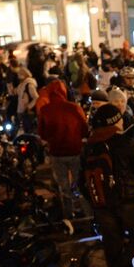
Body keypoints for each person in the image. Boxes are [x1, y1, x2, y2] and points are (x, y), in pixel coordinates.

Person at [82, 102, 134, 267]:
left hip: (102, 205)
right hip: (128, 202)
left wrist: (95, 200)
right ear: (115, 122)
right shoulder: (126, 142)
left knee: (112, 242)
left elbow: (81, 180)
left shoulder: (89, 146)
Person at [37, 80, 90, 223]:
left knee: (63, 186)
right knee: (80, 183)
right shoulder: (74, 108)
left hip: (57, 152)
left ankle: (68, 214)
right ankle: (87, 213)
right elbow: (84, 129)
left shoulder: (45, 110)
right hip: (75, 150)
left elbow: (42, 133)